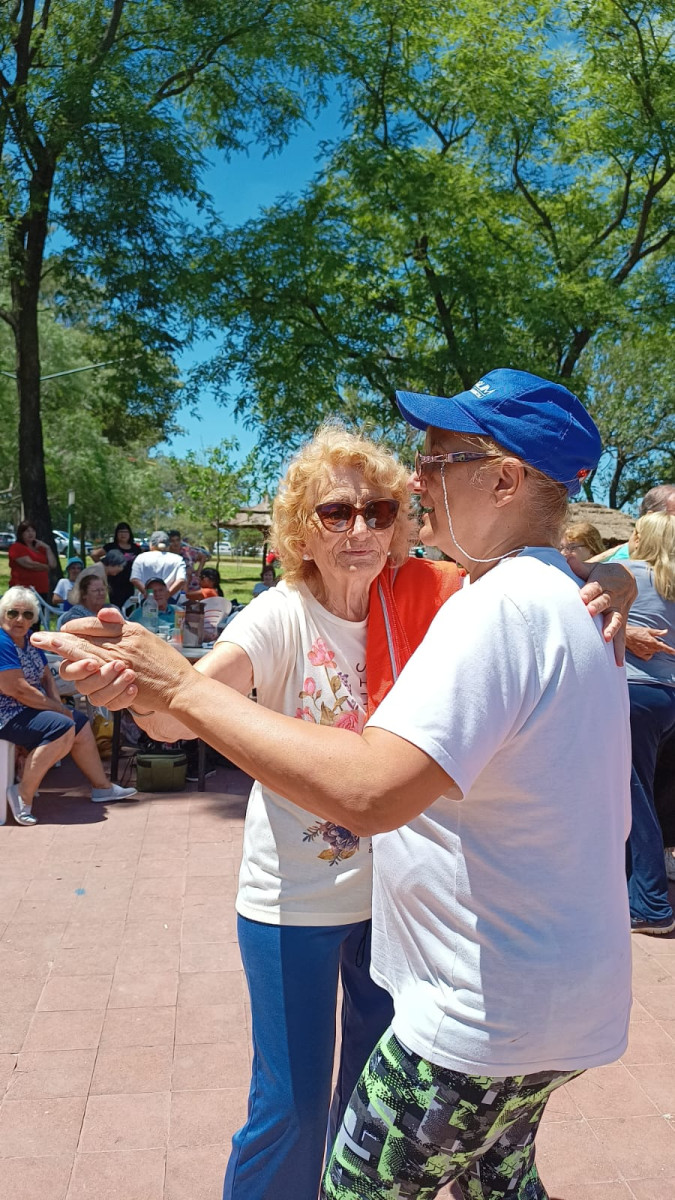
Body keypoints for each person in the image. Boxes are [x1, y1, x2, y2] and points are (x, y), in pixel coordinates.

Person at [40, 373, 637, 1200]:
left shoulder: (448, 594)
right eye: (335, 512)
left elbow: (533, 579)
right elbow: (192, 711)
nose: (365, 525)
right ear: (301, 528)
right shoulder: (282, 614)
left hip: (413, 934)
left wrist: (613, 578)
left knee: (371, 1107)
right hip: (314, 906)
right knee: (294, 1111)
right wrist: (148, 687)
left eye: (384, 507)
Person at [0, 587, 136, 825]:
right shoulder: (2, 642)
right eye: (13, 613)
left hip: (27, 709)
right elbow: (17, 689)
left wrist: (58, 705)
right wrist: (58, 711)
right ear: (2, 615)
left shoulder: (29, 640)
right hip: (6, 714)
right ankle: (22, 794)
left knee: (79, 722)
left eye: (28, 614)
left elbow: (46, 678)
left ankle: (101, 787)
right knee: (62, 726)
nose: (20, 620)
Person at [624, 512, 675, 935]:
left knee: (633, 796)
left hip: (632, 696)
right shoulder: (669, 582)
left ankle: (651, 905)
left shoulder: (627, 573)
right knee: (648, 793)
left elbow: (571, 565)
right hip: (667, 698)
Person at [90, 522, 142, 607]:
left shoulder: (136, 548)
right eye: (120, 532)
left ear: (130, 534)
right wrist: (104, 568)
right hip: (114, 582)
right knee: (116, 606)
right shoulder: (111, 546)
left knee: (129, 607)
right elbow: (94, 555)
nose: (123, 534)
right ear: (116, 534)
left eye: (125, 532)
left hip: (130, 582)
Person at [9, 520, 58, 602]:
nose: (31, 533)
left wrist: (47, 548)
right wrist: (46, 567)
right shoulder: (16, 547)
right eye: (27, 531)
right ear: (21, 533)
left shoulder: (41, 549)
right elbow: (30, 565)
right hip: (22, 591)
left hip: (41, 590)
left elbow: (53, 564)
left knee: (38, 614)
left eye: (33, 531)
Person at [130, 531, 186, 599]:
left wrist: (147, 593)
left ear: (151, 544)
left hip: (146, 600)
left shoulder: (141, 558)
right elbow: (181, 580)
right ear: (167, 545)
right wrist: (167, 595)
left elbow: (134, 579)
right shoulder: (178, 559)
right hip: (170, 599)